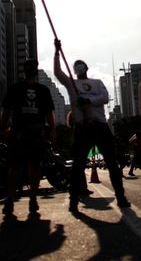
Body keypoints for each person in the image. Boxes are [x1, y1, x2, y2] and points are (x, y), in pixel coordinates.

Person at [54, 39, 130, 214]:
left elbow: (104, 97)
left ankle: (121, 197)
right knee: (78, 166)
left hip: (101, 126)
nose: (79, 66)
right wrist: (57, 52)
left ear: (86, 68)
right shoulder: (71, 84)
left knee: (112, 163)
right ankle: (73, 201)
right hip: (82, 128)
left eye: (81, 64)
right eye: (76, 65)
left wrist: (88, 100)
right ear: (74, 70)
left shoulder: (97, 83)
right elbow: (58, 72)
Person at [0, 58, 56, 216]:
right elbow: (6, 110)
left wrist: (52, 130)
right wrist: (4, 127)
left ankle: (24, 198)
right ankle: (17, 199)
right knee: (26, 167)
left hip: (30, 133)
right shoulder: (21, 88)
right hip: (22, 132)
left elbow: (48, 113)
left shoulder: (39, 90)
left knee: (27, 167)